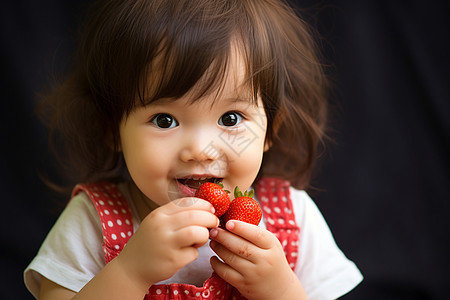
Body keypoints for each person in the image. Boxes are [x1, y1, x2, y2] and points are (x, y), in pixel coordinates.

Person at [24, 0, 363, 299]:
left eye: (230, 118)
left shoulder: (294, 218)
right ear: (112, 129)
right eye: (164, 120)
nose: (200, 150)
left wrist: (281, 290)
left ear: (269, 130)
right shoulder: (94, 222)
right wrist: (129, 272)